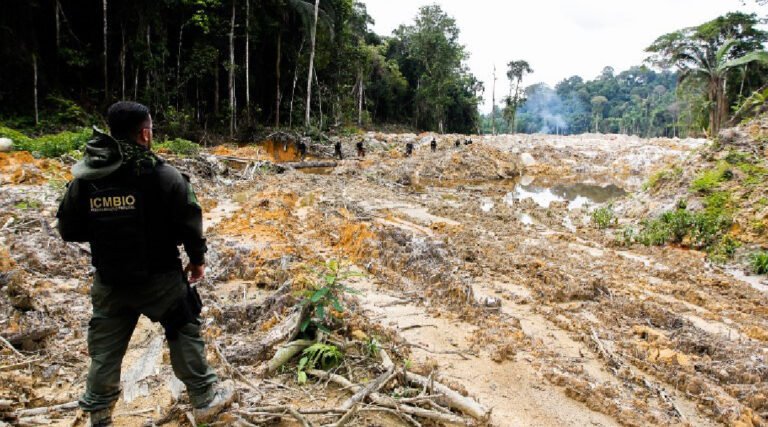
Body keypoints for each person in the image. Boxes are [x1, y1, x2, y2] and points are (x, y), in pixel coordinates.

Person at [56, 101, 234, 427]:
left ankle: (98, 413)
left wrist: (106, 227)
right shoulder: (164, 176)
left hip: (110, 280)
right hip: (162, 280)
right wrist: (197, 260)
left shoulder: (87, 180)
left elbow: (68, 229)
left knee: (106, 348)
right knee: (184, 329)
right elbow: (190, 223)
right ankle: (205, 398)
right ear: (145, 134)